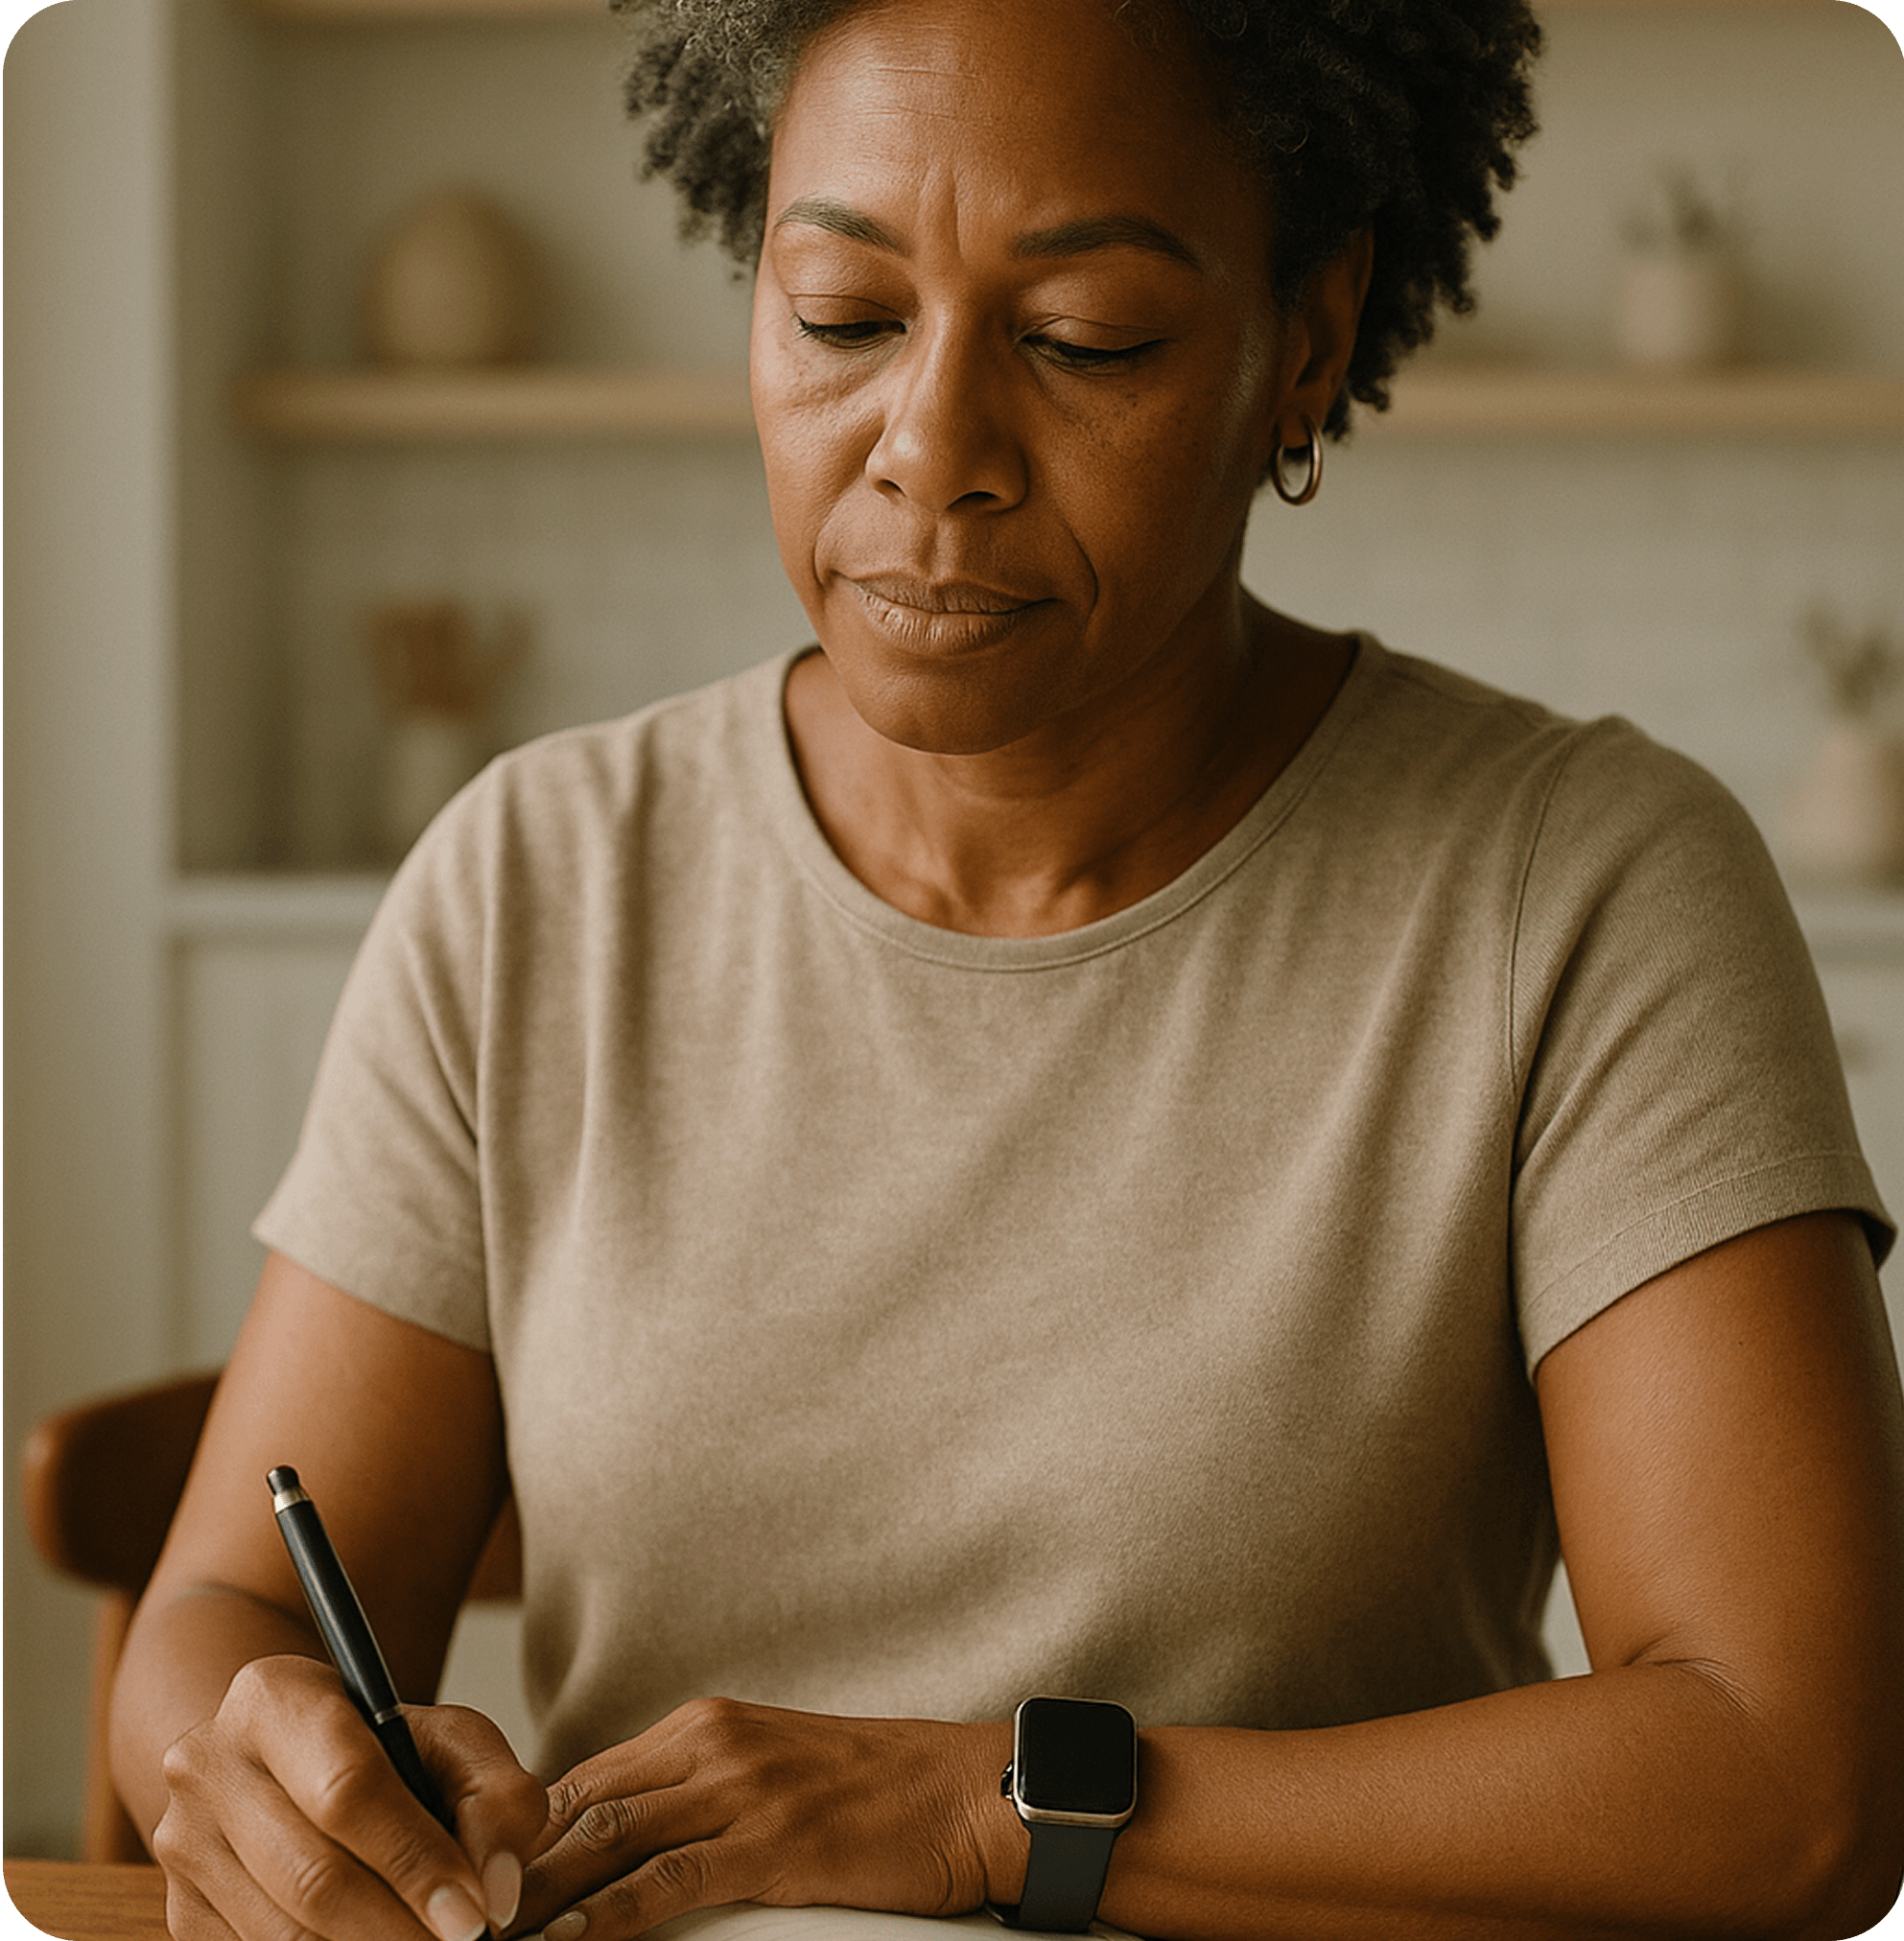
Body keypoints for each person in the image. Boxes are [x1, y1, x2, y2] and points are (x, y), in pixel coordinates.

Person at [110, 0, 1904, 1935]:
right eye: (839, 314)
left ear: (1299, 342)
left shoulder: (1579, 885)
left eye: (1082, 341)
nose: (929, 450)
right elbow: (226, 1615)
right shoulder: (536, 878)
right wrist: (270, 1773)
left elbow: (1786, 1781)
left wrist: (995, 1807)